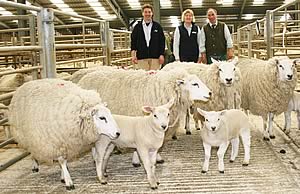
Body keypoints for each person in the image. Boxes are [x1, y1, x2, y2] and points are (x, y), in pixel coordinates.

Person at [130, 4, 165, 70]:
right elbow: (133, 42)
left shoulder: (157, 26)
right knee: (142, 79)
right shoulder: (137, 27)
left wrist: (161, 55)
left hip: (155, 59)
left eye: (149, 12)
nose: (147, 14)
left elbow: (162, 42)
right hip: (141, 59)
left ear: (152, 13)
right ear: (142, 13)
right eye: (145, 12)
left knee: (155, 78)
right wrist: (133, 56)